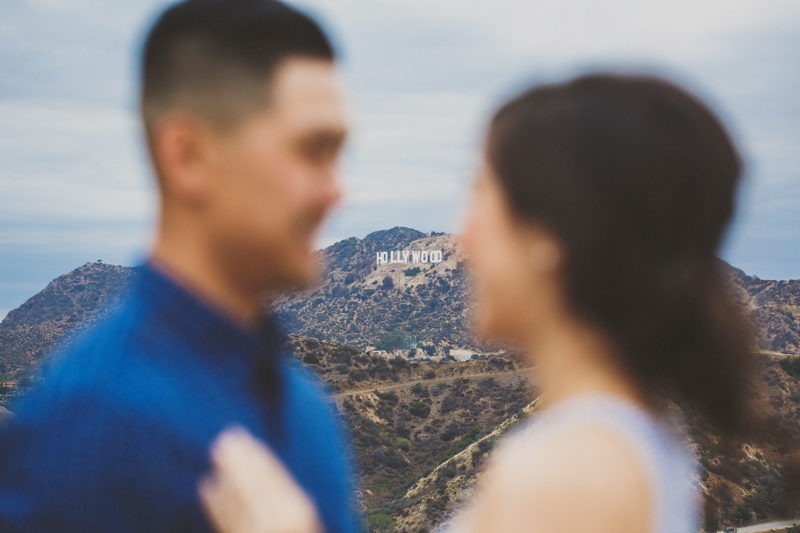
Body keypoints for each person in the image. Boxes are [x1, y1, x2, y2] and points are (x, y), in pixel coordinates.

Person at [198, 73, 756, 533]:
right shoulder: (627, 444)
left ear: (549, 238)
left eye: (480, 194)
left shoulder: (570, 474)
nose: (464, 237)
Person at [0, 1, 358, 532]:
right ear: (187, 156)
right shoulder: (90, 428)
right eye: (312, 151)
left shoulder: (306, 407)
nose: (336, 191)